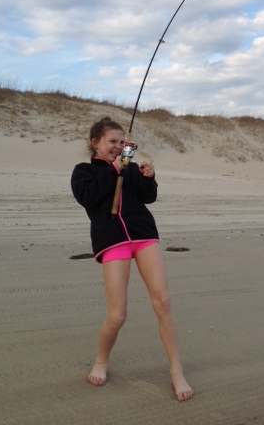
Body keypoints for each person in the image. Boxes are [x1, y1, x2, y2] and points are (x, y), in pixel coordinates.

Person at [71, 116, 193, 401]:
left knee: (162, 302)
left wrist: (149, 178)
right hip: (112, 241)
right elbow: (87, 197)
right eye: (111, 142)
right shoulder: (84, 171)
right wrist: (113, 171)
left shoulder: (132, 168)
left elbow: (147, 197)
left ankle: (177, 371)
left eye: (120, 143)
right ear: (96, 143)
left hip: (143, 236)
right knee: (118, 314)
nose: (117, 147)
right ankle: (101, 361)